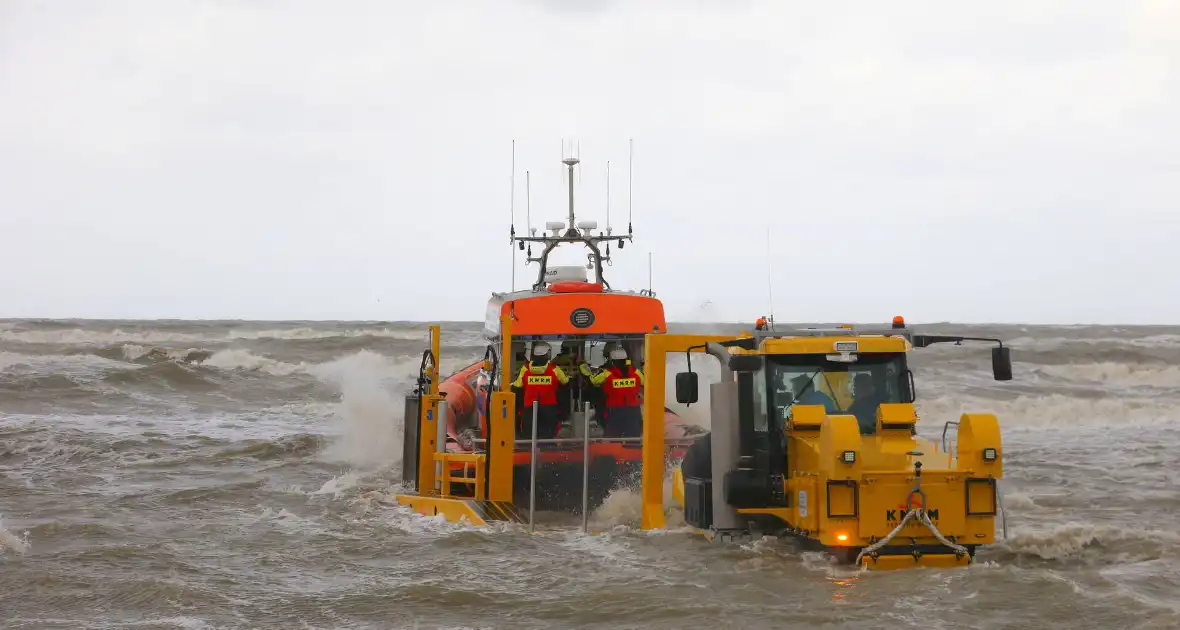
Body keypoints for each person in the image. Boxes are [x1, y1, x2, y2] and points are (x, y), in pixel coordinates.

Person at [580, 346, 643, 437]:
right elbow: (646, 382)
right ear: (626, 359)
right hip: (633, 409)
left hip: (615, 410)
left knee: (614, 435)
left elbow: (593, 381)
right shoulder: (637, 372)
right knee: (633, 435)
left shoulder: (607, 373)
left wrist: (584, 369)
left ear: (612, 360)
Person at [511, 341, 570, 438]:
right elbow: (565, 382)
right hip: (549, 405)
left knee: (529, 432)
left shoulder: (525, 369)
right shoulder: (555, 369)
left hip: (529, 406)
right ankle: (547, 449)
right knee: (548, 431)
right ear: (548, 354)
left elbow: (517, 386)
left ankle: (528, 449)